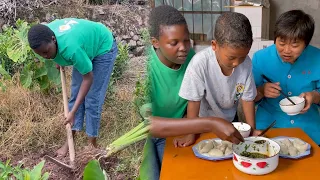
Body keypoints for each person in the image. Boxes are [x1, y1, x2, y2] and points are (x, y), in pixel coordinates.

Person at [27, 18, 118, 156]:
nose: (45, 57)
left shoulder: (71, 48)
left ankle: (92, 146)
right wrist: (56, 57)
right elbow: (50, 50)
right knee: (75, 94)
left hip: (102, 47)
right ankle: (69, 142)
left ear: (53, 39)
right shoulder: (43, 35)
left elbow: (88, 78)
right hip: (83, 46)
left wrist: (73, 112)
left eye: (46, 52)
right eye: (40, 54)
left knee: (92, 99)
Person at [176, 12, 262, 148]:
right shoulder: (200, 63)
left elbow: (247, 99)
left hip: (231, 123)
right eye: (231, 57)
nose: (236, 63)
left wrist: (251, 129)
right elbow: (193, 101)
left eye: (242, 57)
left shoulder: (246, 64)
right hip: (202, 124)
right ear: (214, 45)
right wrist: (191, 133)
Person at [252, 10, 320, 144]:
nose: (287, 50)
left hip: (308, 129)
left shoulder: (317, 58)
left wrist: (314, 96)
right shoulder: (260, 58)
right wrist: (261, 91)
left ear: (306, 44)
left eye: (295, 45)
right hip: (269, 127)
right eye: (281, 43)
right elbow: (248, 96)